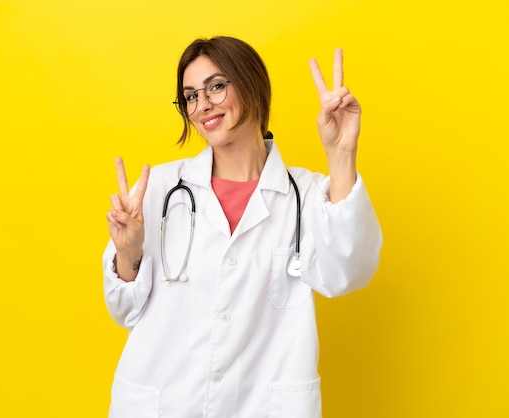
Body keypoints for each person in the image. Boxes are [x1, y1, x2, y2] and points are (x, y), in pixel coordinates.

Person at [103, 36, 382, 418]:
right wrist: (128, 252)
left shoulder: (308, 195)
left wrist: (342, 155)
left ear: (251, 86)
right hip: (164, 403)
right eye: (190, 96)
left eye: (216, 86)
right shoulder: (160, 190)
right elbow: (125, 311)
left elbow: (348, 274)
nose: (202, 105)